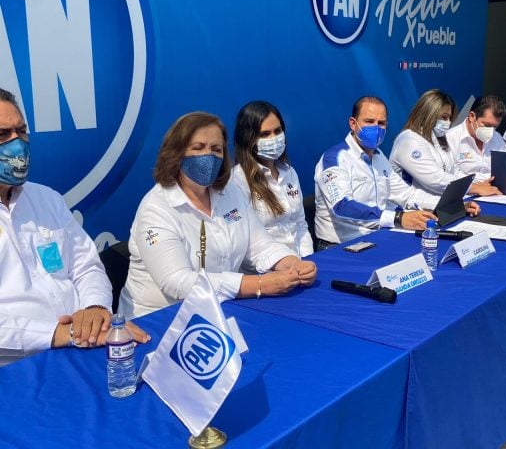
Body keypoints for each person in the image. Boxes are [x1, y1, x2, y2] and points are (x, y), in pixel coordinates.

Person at [0, 88, 149, 366]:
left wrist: (94, 309)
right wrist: (61, 333)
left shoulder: (46, 198)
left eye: (21, 131)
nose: (16, 143)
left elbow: (87, 265)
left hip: (84, 348)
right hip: (17, 368)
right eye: (2, 135)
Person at [119, 111, 317, 318]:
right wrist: (258, 284)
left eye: (216, 149)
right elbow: (176, 282)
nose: (208, 156)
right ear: (176, 153)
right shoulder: (156, 208)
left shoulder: (230, 192)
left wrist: (292, 263)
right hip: (159, 319)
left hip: (220, 311)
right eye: (198, 148)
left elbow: (259, 244)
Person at [314, 96, 480, 248]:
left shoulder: (379, 158)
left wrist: (450, 206)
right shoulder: (334, 159)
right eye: (369, 121)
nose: (376, 128)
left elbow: (407, 195)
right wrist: (399, 218)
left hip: (377, 238)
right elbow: (342, 207)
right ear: (353, 123)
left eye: (381, 123)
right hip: (340, 246)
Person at [231, 101, 313, 266]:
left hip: (301, 264)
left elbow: (300, 223)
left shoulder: (289, 172)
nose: (273, 139)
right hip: (266, 272)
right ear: (249, 139)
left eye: (277, 131)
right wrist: (281, 266)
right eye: (265, 134)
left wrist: (307, 260)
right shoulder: (237, 181)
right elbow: (244, 242)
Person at [390, 89, 501, 196]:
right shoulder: (409, 140)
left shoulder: (439, 139)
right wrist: (473, 188)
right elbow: (435, 178)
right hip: (410, 209)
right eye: (444, 117)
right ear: (428, 113)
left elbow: (453, 171)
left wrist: (476, 184)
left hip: (436, 204)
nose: (448, 122)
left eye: (449, 118)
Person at [447, 95, 506, 183]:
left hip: (494, 190)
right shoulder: (450, 138)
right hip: (465, 191)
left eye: (495, 127)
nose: (491, 131)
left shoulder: (497, 138)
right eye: (487, 125)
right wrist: (478, 185)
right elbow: (449, 174)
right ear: (472, 116)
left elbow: (505, 169)